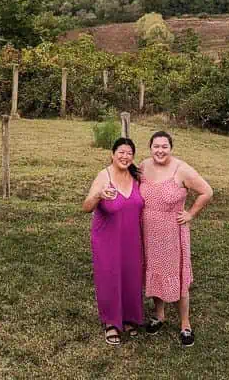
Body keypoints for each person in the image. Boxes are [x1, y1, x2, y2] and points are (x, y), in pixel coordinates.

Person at [139, 130, 213, 347]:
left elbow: (207, 191)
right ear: (150, 147)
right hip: (148, 233)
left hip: (172, 234)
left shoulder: (182, 170)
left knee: (178, 278)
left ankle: (185, 324)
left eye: (164, 146)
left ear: (171, 148)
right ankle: (159, 315)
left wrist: (190, 213)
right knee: (154, 272)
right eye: (156, 146)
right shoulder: (143, 166)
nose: (160, 150)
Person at [82, 137, 144, 346]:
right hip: (107, 239)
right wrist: (99, 195)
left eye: (129, 153)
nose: (125, 156)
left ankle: (128, 317)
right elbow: (86, 206)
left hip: (132, 238)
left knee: (131, 276)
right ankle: (111, 322)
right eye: (121, 152)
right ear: (112, 154)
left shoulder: (136, 177)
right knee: (109, 277)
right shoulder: (104, 176)